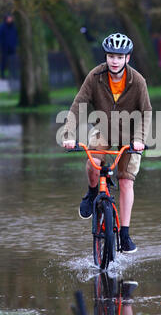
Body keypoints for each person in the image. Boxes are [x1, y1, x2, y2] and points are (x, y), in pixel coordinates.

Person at [62, 32, 152, 253]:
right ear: (106, 56)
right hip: (103, 131)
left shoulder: (137, 80)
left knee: (125, 182)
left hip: (131, 137)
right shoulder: (95, 77)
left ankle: (125, 234)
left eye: (120, 57)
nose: (115, 61)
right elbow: (78, 105)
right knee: (93, 162)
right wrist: (68, 135)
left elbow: (147, 111)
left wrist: (139, 140)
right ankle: (93, 192)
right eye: (111, 56)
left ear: (127, 59)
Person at [0, 14, 18, 79]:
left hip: (12, 47)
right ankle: (2, 75)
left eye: (10, 18)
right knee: (3, 61)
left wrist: (15, 43)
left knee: (13, 61)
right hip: (4, 47)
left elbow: (16, 36)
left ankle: (13, 74)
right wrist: (3, 44)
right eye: (8, 18)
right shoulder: (2, 27)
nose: (10, 20)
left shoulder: (14, 27)